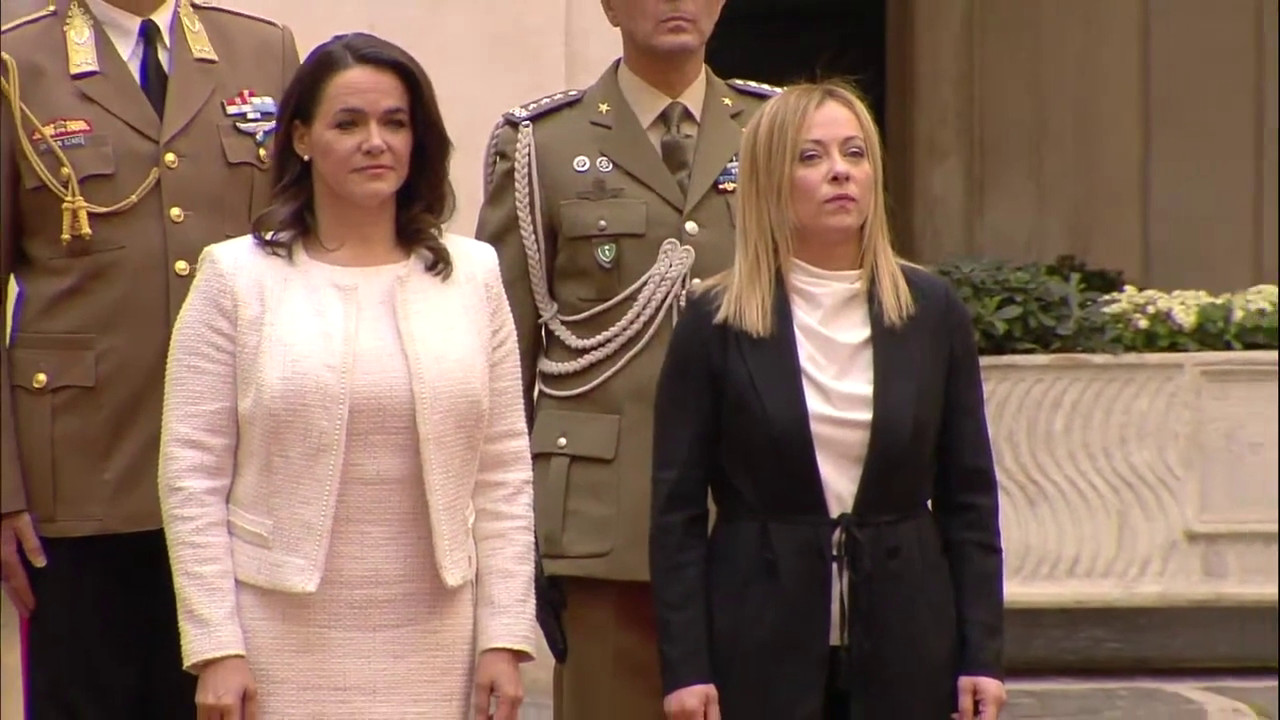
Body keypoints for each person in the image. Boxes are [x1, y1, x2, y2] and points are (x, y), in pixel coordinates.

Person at [156, 32, 539, 719]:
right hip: (278, 636)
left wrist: (504, 636)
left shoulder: (473, 274)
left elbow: (504, 471)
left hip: (440, 636)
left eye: (395, 123)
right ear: (301, 137)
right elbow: (192, 477)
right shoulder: (235, 277)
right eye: (348, 123)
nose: (376, 142)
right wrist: (215, 646)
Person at [649, 81, 1008, 720]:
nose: (840, 171)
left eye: (854, 153)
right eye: (811, 156)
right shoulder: (715, 320)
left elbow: (970, 501)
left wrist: (982, 653)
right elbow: (676, 514)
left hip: (907, 637)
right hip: (758, 637)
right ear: (769, 181)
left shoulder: (932, 312)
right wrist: (686, 667)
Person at [474, 1, 780, 716]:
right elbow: (501, 358)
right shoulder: (542, 144)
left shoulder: (777, 131)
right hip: (607, 517)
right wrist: (504, 547)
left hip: (757, 510)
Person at [0, 0, 298, 716]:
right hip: (82, 476)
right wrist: (2, 489)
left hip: (247, 470)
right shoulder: (16, 65)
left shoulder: (263, 52)